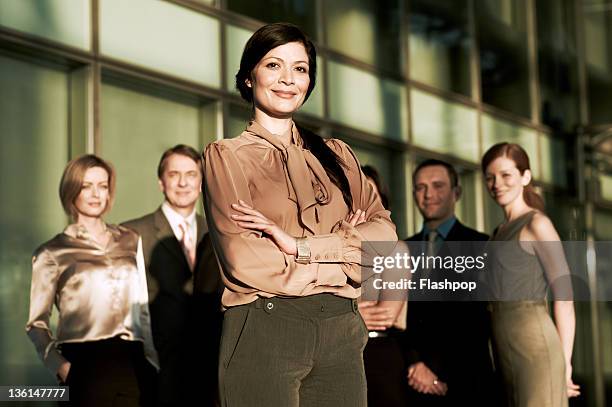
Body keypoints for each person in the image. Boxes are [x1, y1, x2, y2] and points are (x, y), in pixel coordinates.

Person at [202, 22, 397, 407]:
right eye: (273, 65)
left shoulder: (338, 156)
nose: (288, 79)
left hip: (342, 328)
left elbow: (384, 238)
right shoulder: (228, 158)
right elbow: (246, 259)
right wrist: (343, 255)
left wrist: (299, 247)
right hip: (266, 326)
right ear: (247, 78)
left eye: (300, 68)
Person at [26, 155, 158, 407]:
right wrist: (62, 367)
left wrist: (152, 360)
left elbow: (142, 309)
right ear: (71, 190)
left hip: (133, 362)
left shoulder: (130, 239)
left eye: (103, 185)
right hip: (84, 365)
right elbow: (36, 325)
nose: (96, 194)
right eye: (87, 186)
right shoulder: (51, 252)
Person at [123, 145, 222, 406]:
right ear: (160, 181)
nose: (182, 182)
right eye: (174, 174)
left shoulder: (219, 235)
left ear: (201, 183)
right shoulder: (132, 233)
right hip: (154, 370)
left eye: (191, 174)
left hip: (207, 371)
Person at [482, 142, 580, 406]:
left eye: (505, 175)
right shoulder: (497, 233)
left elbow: (565, 296)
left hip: (535, 346)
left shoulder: (537, 224)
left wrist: (565, 362)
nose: (497, 184)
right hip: (502, 345)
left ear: (525, 177)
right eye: (490, 177)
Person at [402, 159, 495, 406]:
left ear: (457, 192)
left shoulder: (482, 246)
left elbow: (478, 319)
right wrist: (415, 363)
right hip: (411, 382)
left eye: (437, 185)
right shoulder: (401, 249)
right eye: (420, 187)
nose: (428, 194)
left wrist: (434, 369)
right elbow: (397, 314)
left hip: (465, 383)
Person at [358, 165, 409, 407]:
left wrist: (345, 314)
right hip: (342, 353)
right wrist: (357, 314)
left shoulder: (395, 249)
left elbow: (385, 315)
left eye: (371, 195)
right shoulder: (335, 248)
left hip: (378, 355)